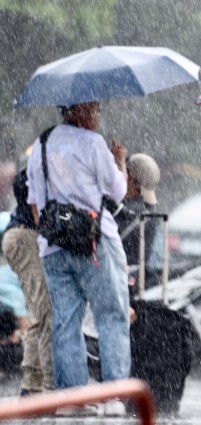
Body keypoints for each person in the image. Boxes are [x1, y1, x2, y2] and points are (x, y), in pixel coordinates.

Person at [26, 101, 131, 416]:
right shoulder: (93, 143)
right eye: (94, 109)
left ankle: (69, 401)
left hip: (54, 246)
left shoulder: (42, 143)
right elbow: (118, 191)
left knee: (64, 323)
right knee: (111, 316)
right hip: (95, 244)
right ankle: (113, 396)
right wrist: (120, 161)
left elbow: (34, 202)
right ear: (78, 110)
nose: (98, 114)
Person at [1, 165, 54, 396]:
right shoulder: (39, 167)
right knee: (42, 314)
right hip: (25, 238)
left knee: (42, 314)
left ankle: (35, 385)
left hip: (26, 237)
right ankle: (35, 385)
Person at [113, 153, 161, 267]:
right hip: (142, 274)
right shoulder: (150, 211)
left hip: (123, 270)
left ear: (131, 177)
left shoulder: (130, 211)